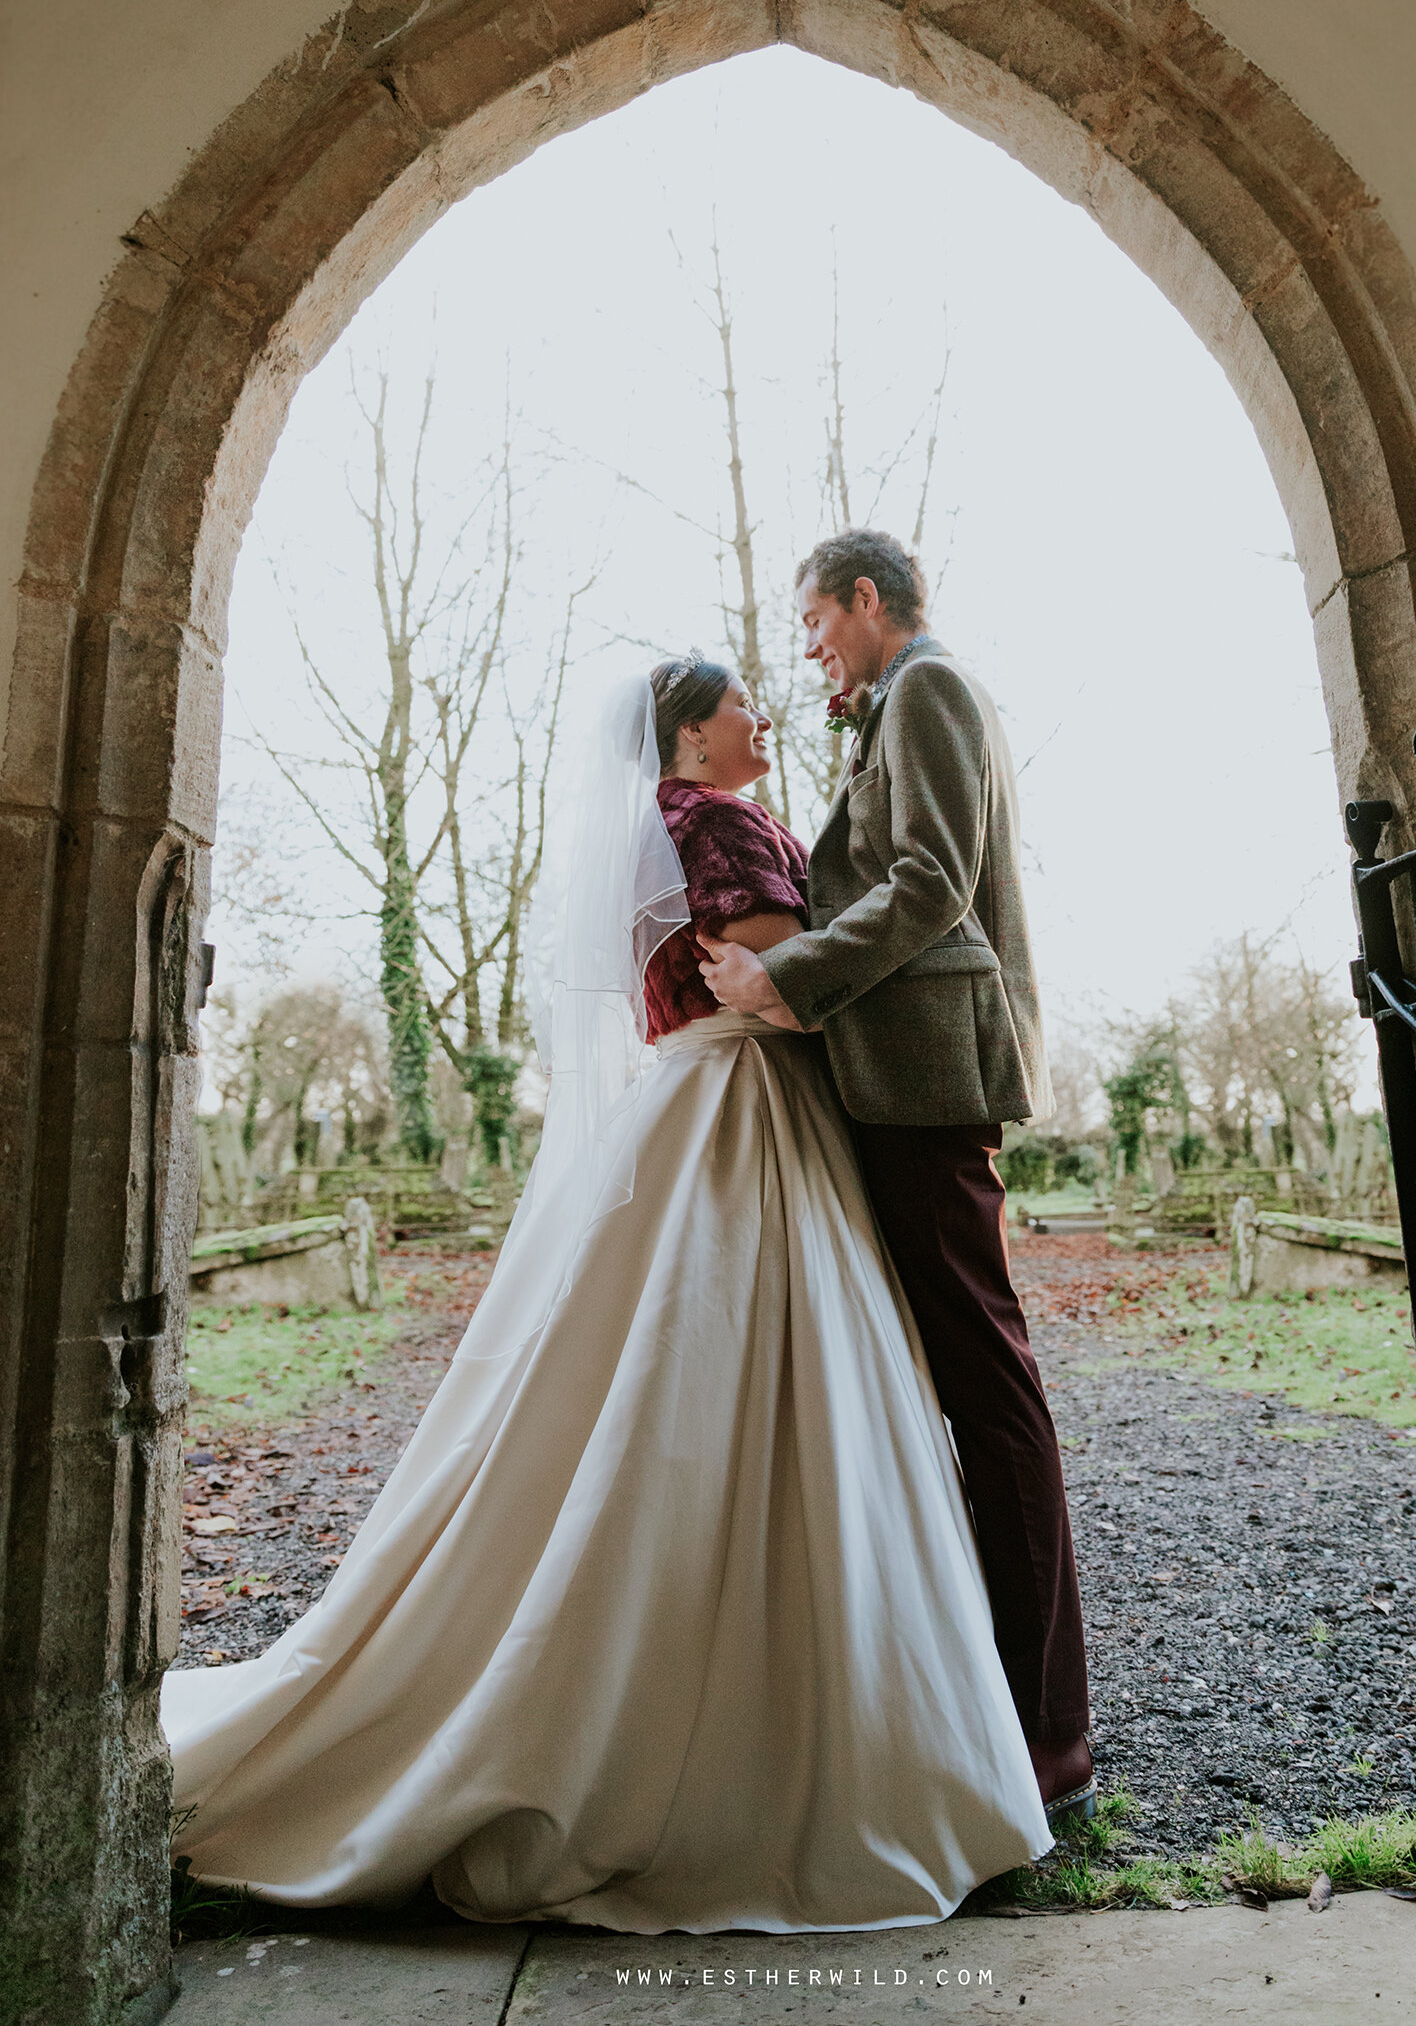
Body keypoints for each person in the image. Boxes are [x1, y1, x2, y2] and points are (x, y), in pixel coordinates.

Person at [160, 657, 1052, 1933]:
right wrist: (826, 974)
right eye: (739, 701)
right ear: (690, 734)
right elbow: (772, 976)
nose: (761, 716)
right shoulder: (719, 821)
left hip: (700, 1098)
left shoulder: (668, 822)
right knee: (751, 1379)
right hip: (745, 1115)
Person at [700, 529, 1095, 1817]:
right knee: (956, 1379)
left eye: (816, 618)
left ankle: (1048, 1741)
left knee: (989, 1385)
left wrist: (784, 976)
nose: (810, 644)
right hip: (898, 1080)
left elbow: (931, 883)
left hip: (928, 1080)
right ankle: (985, 1701)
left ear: (868, 600)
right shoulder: (891, 702)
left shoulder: (928, 685)